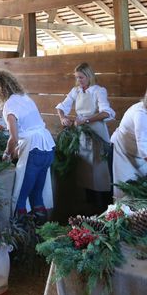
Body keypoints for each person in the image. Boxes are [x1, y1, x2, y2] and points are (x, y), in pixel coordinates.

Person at [0, 69, 55, 219]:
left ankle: (21, 235)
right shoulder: (24, 97)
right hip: (47, 146)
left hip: (33, 149)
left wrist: (7, 153)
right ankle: (40, 232)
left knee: (20, 198)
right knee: (37, 196)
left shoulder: (9, 105)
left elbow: (14, 138)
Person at [56, 62, 115, 207]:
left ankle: (104, 205)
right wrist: (63, 118)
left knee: (99, 168)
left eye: (81, 77)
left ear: (89, 76)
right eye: (77, 78)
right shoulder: (75, 91)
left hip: (97, 134)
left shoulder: (98, 91)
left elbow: (106, 112)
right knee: (85, 168)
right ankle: (90, 205)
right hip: (81, 134)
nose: (78, 81)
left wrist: (86, 119)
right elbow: (61, 107)